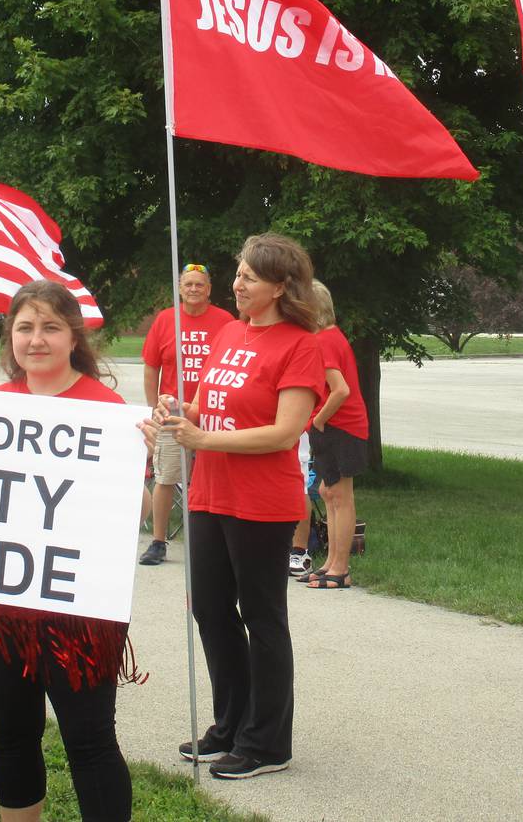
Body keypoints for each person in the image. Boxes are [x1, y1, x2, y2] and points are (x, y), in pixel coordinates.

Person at [154, 232, 324, 780]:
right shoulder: (230, 331)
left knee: (262, 617)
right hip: (209, 495)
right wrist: (179, 410)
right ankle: (230, 723)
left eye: (249, 275)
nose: (238, 283)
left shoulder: (301, 344)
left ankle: (268, 742)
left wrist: (203, 443)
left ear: (280, 286)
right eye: (238, 272)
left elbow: (283, 433)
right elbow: (208, 406)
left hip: (261, 503)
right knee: (209, 608)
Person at [0, 280, 132, 821]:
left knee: (89, 742)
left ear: (73, 336)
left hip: (77, 614)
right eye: (24, 327)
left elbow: (128, 517)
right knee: (11, 737)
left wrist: (145, 456)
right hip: (0, 607)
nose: (36, 340)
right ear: (9, 336)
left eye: (50, 327)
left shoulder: (109, 412)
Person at [138, 263, 235, 566]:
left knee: (216, 479)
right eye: (188, 284)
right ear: (180, 288)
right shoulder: (166, 320)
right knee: (166, 477)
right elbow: (152, 366)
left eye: (199, 284)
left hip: (214, 412)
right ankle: (158, 542)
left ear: (209, 289)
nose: (194, 289)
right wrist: (153, 404)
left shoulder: (226, 321)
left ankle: (211, 543)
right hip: (172, 414)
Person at [298, 280, 370, 591]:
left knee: (340, 496)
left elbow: (340, 390)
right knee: (328, 493)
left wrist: (319, 420)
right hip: (333, 427)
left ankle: (341, 568)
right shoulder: (324, 337)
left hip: (343, 427)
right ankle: (330, 562)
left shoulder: (326, 340)